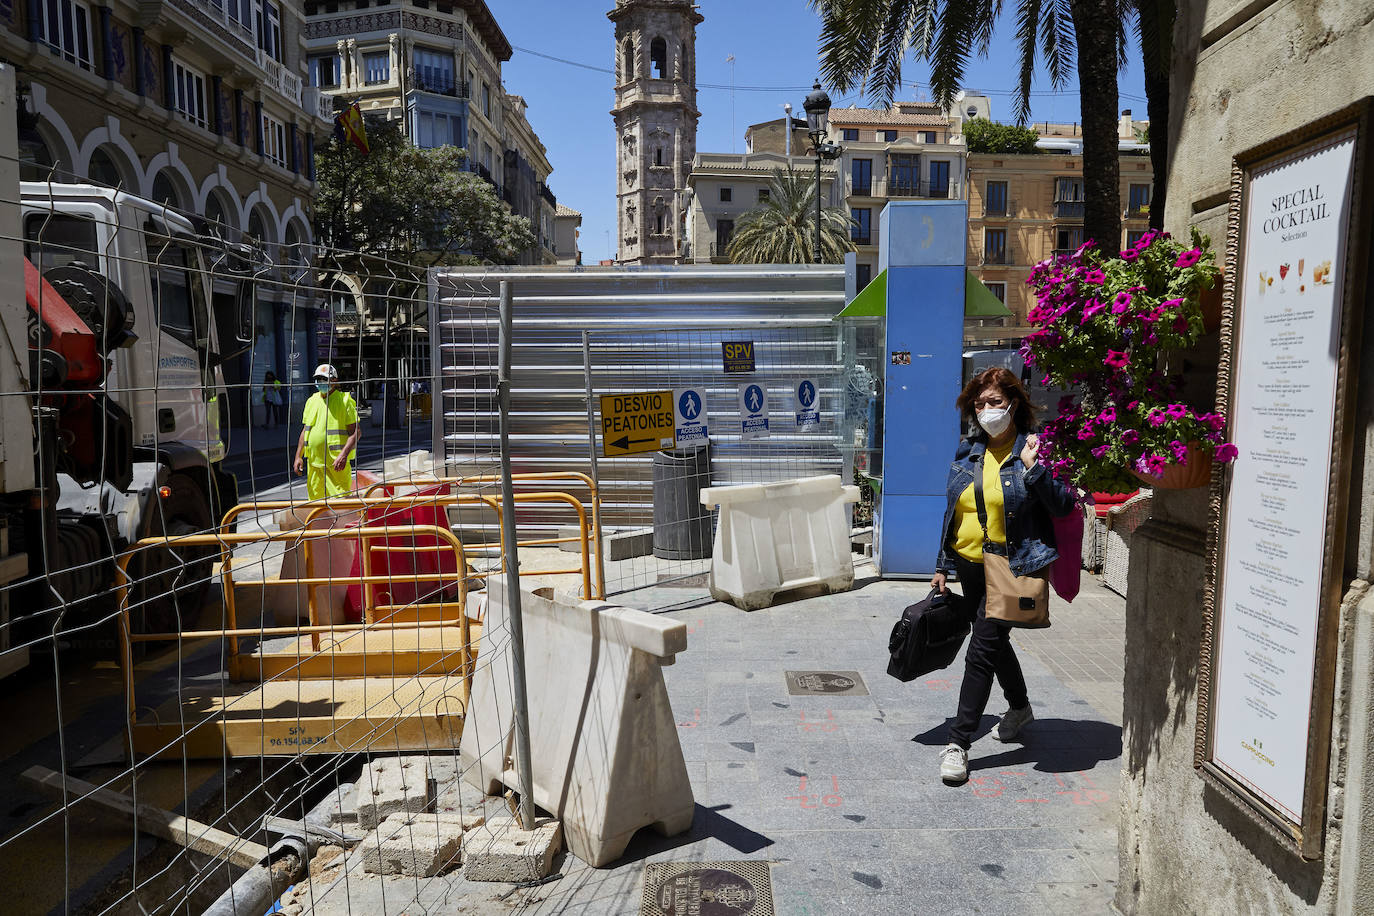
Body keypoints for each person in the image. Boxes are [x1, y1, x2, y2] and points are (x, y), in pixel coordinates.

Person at [931, 367, 1075, 783]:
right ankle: (1020, 708)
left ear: (1014, 402)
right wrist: (943, 565)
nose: (987, 410)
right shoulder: (968, 450)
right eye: (979, 404)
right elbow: (954, 511)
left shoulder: (1033, 449)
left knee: (982, 649)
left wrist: (1034, 470)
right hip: (969, 564)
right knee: (995, 643)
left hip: (1010, 567)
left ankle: (958, 742)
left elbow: (1064, 506)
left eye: (994, 402)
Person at [292, 364, 360, 500]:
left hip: (335, 464)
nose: (320, 383)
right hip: (314, 464)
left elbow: (356, 432)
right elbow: (305, 430)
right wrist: (298, 456)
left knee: (340, 503)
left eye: (324, 379)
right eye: (318, 379)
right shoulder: (311, 401)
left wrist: (343, 454)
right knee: (316, 503)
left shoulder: (345, 401)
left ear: (334, 381)